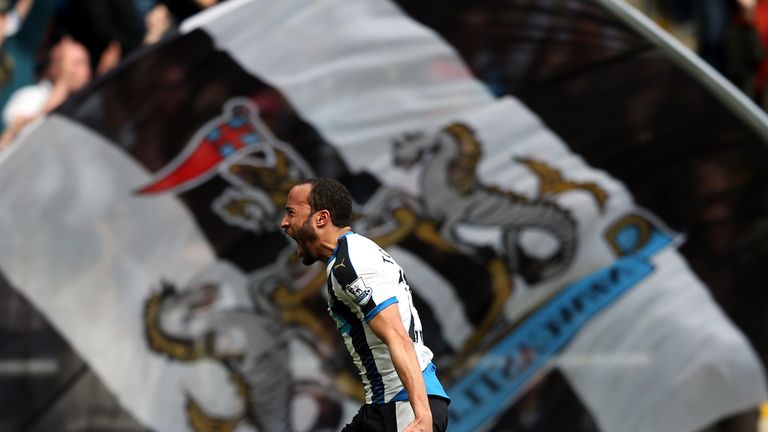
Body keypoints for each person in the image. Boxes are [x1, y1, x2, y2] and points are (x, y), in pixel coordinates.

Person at [280, 178, 450, 432]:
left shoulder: (350, 265)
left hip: (404, 409)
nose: (284, 223)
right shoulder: (353, 254)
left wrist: (422, 416)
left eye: (291, 212)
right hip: (385, 407)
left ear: (321, 218)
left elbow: (396, 336)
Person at [0, 36, 90, 148]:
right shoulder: (30, 96)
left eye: (80, 63)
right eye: (67, 63)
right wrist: (63, 82)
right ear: (52, 67)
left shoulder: (86, 111)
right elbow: (24, 136)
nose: (72, 70)